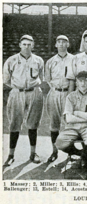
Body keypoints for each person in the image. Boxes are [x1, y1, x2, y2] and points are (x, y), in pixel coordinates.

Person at [3, 35, 44, 166]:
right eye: (24, 44)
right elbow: (6, 80)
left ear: (33, 45)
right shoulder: (11, 60)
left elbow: (41, 78)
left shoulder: (38, 60)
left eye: (29, 44)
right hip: (17, 92)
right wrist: (18, 87)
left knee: (33, 124)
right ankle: (11, 154)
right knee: (14, 123)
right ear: (20, 45)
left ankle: (33, 152)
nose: (27, 47)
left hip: (34, 92)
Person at [56, 71, 87, 179]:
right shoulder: (70, 96)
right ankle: (83, 155)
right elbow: (68, 118)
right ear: (76, 82)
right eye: (80, 81)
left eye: (85, 80)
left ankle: (85, 168)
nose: (83, 83)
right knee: (59, 143)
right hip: (73, 127)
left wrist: (78, 113)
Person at [44, 35, 74, 163]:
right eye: (59, 42)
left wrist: (70, 95)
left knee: (70, 124)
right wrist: (55, 89)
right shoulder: (50, 61)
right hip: (55, 93)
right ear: (56, 45)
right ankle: (54, 151)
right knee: (54, 124)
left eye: (64, 42)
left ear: (68, 44)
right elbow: (47, 79)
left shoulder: (74, 59)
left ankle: (70, 153)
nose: (61, 44)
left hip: (68, 93)